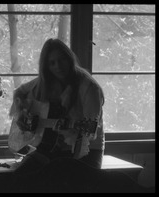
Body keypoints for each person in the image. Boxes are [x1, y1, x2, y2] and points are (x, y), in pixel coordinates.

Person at [8, 38, 105, 174]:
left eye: (61, 60)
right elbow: (20, 91)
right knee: (19, 176)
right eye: (52, 63)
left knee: (56, 179)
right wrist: (21, 113)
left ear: (69, 59)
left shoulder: (89, 88)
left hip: (87, 151)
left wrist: (70, 128)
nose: (57, 66)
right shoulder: (48, 81)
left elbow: (90, 132)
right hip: (54, 147)